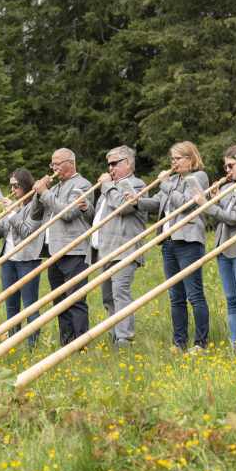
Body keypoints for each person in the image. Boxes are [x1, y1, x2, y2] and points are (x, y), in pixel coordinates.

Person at [137, 141, 210, 352]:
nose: (174, 163)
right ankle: (179, 342)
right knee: (175, 296)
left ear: (190, 158)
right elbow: (158, 202)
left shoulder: (199, 177)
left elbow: (189, 204)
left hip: (188, 241)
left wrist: (166, 184)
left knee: (194, 294)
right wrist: (137, 201)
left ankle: (200, 343)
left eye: (178, 158)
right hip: (168, 242)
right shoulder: (174, 179)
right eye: (172, 159)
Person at [194, 145, 236, 349]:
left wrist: (207, 204)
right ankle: (235, 345)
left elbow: (234, 218)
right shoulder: (226, 188)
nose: (227, 170)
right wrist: (215, 199)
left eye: (231, 165)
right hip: (223, 247)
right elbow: (219, 217)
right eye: (225, 167)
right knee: (232, 299)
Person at [31, 148, 95, 345]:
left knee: (75, 299)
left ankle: (80, 345)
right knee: (59, 301)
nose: (54, 168)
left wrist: (45, 192)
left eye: (57, 163)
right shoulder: (56, 188)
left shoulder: (82, 185)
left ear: (71, 163)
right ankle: (65, 343)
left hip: (73, 250)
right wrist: (38, 193)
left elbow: (67, 213)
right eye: (52, 164)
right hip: (53, 251)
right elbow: (35, 214)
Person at [92, 146, 147, 348]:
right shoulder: (110, 188)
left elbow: (126, 208)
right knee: (107, 296)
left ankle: (124, 338)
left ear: (128, 163)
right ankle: (115, 334)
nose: (110, 168)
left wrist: (107, 187)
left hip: (125, 249)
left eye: (114, 163)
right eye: (108, 164)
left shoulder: (135, 184)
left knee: (120, 292)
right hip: (105, 250)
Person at [0, 168, 45, 347]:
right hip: (8, 260)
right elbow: (0, 232)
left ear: (25, 185)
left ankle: (33, 345)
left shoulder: (35, 205)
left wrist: (12, 213)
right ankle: (13, 343)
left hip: (27, 260)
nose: (13, 190)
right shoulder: (15, 206)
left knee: (30, 304)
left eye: (16, 186)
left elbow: (27, 232)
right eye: (11, 186)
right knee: (11, 305)